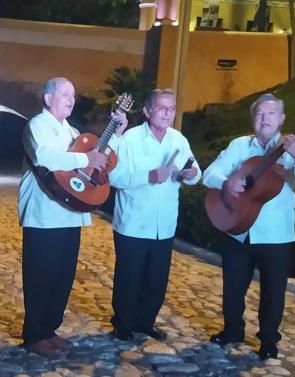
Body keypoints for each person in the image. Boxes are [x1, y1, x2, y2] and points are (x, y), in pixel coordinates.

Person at [202, 93, 295, 360]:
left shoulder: (294, 147)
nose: (264, 118)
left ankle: (268, 340)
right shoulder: (240, 145)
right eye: (259, 114)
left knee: (273, 292)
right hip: (238, 229)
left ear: (282, 119)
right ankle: (232, 330)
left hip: (276, 234)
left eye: (270, 113)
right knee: (232, 287)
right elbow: (210, 173)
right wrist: (226, 182)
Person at [18, 77, 126, 356]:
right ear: (47, 99)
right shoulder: (37, 126)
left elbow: (98, 154)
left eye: (73, 95)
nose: (71, 99)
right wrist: (85, 160)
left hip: (70, 214)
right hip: (43, 215)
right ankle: (34, 334)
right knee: (40, 276)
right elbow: (45, 157)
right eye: (65, 94)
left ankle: (49, 330)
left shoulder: (73, 132)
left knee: (62, 276)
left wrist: (116, 133)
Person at [108, 88, 200, 342]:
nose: (167, 114)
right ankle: (123, 323)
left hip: (164, 224)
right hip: (133, 223)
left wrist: (190, 175)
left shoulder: (178, 140)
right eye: (162, 108)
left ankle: (145, 321)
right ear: (148, 111)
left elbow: (195, 171)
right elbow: (114, 176)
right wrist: (148, 176)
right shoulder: (130, 139)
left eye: (171, 109)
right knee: (129, 277)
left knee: (156, 279)